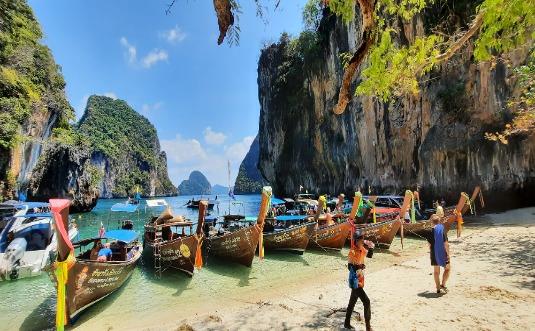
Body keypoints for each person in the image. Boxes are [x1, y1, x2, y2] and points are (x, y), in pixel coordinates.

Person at [345, 231, 374, 330]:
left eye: (362, 239)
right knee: (367, 302)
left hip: (360, 280)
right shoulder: (352, 251)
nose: (362, 241)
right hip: (355, 281)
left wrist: (371, 247)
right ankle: (368, 327)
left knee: (352, 303)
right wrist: (359, 266)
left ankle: (346, 323)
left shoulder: (362, 249)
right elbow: (350, 267)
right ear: (356, 240)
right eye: (360, 239)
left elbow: (369, 255)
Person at [426, 214, 450, 293]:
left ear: (431, 222)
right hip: (442, 252)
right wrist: (448, 254)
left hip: (434, 253)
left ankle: (438, 288)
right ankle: (443, 284)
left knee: (436, 271)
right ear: (439, 221)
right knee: (447, 269)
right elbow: (446, 243)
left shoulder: (429, 231)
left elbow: (429, 245)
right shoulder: (441, 229)